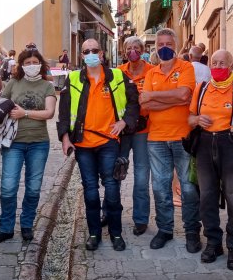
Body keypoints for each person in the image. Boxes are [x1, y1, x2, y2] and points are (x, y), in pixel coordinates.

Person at [57, 39, 139, 252]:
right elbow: (64, 111)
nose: (91, 54)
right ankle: (94, 233)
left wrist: (124, 122)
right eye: (87, 51)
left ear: (102, 54)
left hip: (109, 142)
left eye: (95, 50)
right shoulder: (74, 78)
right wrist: (65, 138)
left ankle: (116, 233)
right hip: (83, 145)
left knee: (112, 189)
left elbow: (133, 103)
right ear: (82, 55)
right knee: (90, 191)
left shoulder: (118, 77)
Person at [188, 49, 233, 271]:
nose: (217, 67)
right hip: (205, 146)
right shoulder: (202, 89)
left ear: (232, 66)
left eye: (222, 64)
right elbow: (189, 119)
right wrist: (197, 119)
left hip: (231, 143)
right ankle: (214, 243)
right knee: (207, 197)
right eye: (214, 63)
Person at [140, 28, 201, 252]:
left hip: (182, 137)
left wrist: (155, 96)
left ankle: (192, 231)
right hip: (156, 139)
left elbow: (185, 95)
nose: (164, 47)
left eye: (169, 43)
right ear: (155, 47)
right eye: (160, 44)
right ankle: (165, 229)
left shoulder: (186, 68)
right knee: (160, 187)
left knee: (188, 188)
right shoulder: (151, 73)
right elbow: (144, 105)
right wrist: (173, 99)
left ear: (176, 46)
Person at [0, 49, 57, 244]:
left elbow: (49, 113)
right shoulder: (13, 83)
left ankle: (27, 224)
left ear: (41, 64)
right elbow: (0, 104)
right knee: (8, 187)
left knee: (33, 188)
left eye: (35, 61)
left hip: (38, 142)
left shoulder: (47, 86)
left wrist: (24, 113)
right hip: (14, 143)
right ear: (21, 65)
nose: (31, 65)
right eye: (27, 62)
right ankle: (5, 227)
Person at [117, 36, 154, 236]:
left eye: (136, 48)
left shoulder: (152, 71)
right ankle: (111, 212)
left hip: (143, 130)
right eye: (129, 48)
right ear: (124, 52)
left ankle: (140, 218)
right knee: (116, 171)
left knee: (141, 176)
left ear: (142, 50)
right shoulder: (118, 73)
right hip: (123, 129)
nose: (133, 51)